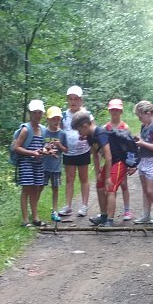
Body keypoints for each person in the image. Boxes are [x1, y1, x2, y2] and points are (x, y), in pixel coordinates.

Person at [72, 111, 125, 227]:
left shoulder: (100, 133)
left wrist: (108, 177)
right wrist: (98, 173)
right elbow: (95, 154)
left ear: (85, 126)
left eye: (79, 130)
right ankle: (103, 216)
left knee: (110, 188)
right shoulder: (89, 137)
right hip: (110, 162)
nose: (79, 133)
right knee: (100, 186)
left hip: (118, 161)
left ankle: (110, 220)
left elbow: (108, 155)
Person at [11, 99, 46, 227]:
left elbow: (43, 145)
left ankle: (35, 218)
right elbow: (16, 147)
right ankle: (25, 219)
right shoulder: (26, 129)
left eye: (39, 112)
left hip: (38, 163)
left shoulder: (43, 129)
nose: (37, 115)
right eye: (35, 112)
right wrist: (32, 153)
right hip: (26, 163)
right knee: (27, 189)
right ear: (30, 113)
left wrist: (46, 151)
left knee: (36, 189)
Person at [59, 86, 92, 218]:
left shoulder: (86, 114)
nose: (73, 102)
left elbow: (92, 129)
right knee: (69, 178)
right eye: (70, 99)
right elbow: (60, 131)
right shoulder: (63, 115)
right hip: (68, 152)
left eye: (76, 99)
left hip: (83, 150)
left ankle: (84, 205)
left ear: (81, 100)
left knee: (83, 177)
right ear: (67, 100)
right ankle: (68, 206)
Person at [132, 100, 153, 224]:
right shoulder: (144, 126)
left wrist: (143, 143)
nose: (139, 119)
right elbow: (143, 141)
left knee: (150, 190)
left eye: (140, 117)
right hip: (143, 160)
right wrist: (138, 141)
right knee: (145, 190)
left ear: (149, 113)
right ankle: (146, 215)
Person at [104, 99, 134, 221]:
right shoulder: (106, 127)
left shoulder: (124, 127)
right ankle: (110, 210)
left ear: (121, 111)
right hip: (110, 159)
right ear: (109, 111)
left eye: (117, 109)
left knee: (124, 184)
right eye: (112, 109)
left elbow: (130, 145)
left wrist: (131, 163)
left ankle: (127, 210)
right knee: (112, 185)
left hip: (122, 159)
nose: (114, 112)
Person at [42, 106, 68, 222]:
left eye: (58, 119)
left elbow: (66, 150)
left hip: (56, 167)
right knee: (39, 187)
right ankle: (34, 209)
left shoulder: (62, 134)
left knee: (55, 188)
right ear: (48, 119)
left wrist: (59, 145)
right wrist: (46, 148)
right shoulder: (43, 132)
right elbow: (39, 147)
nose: (56, 121)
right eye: (53, 119)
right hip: (43, 166)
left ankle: (55, 210)